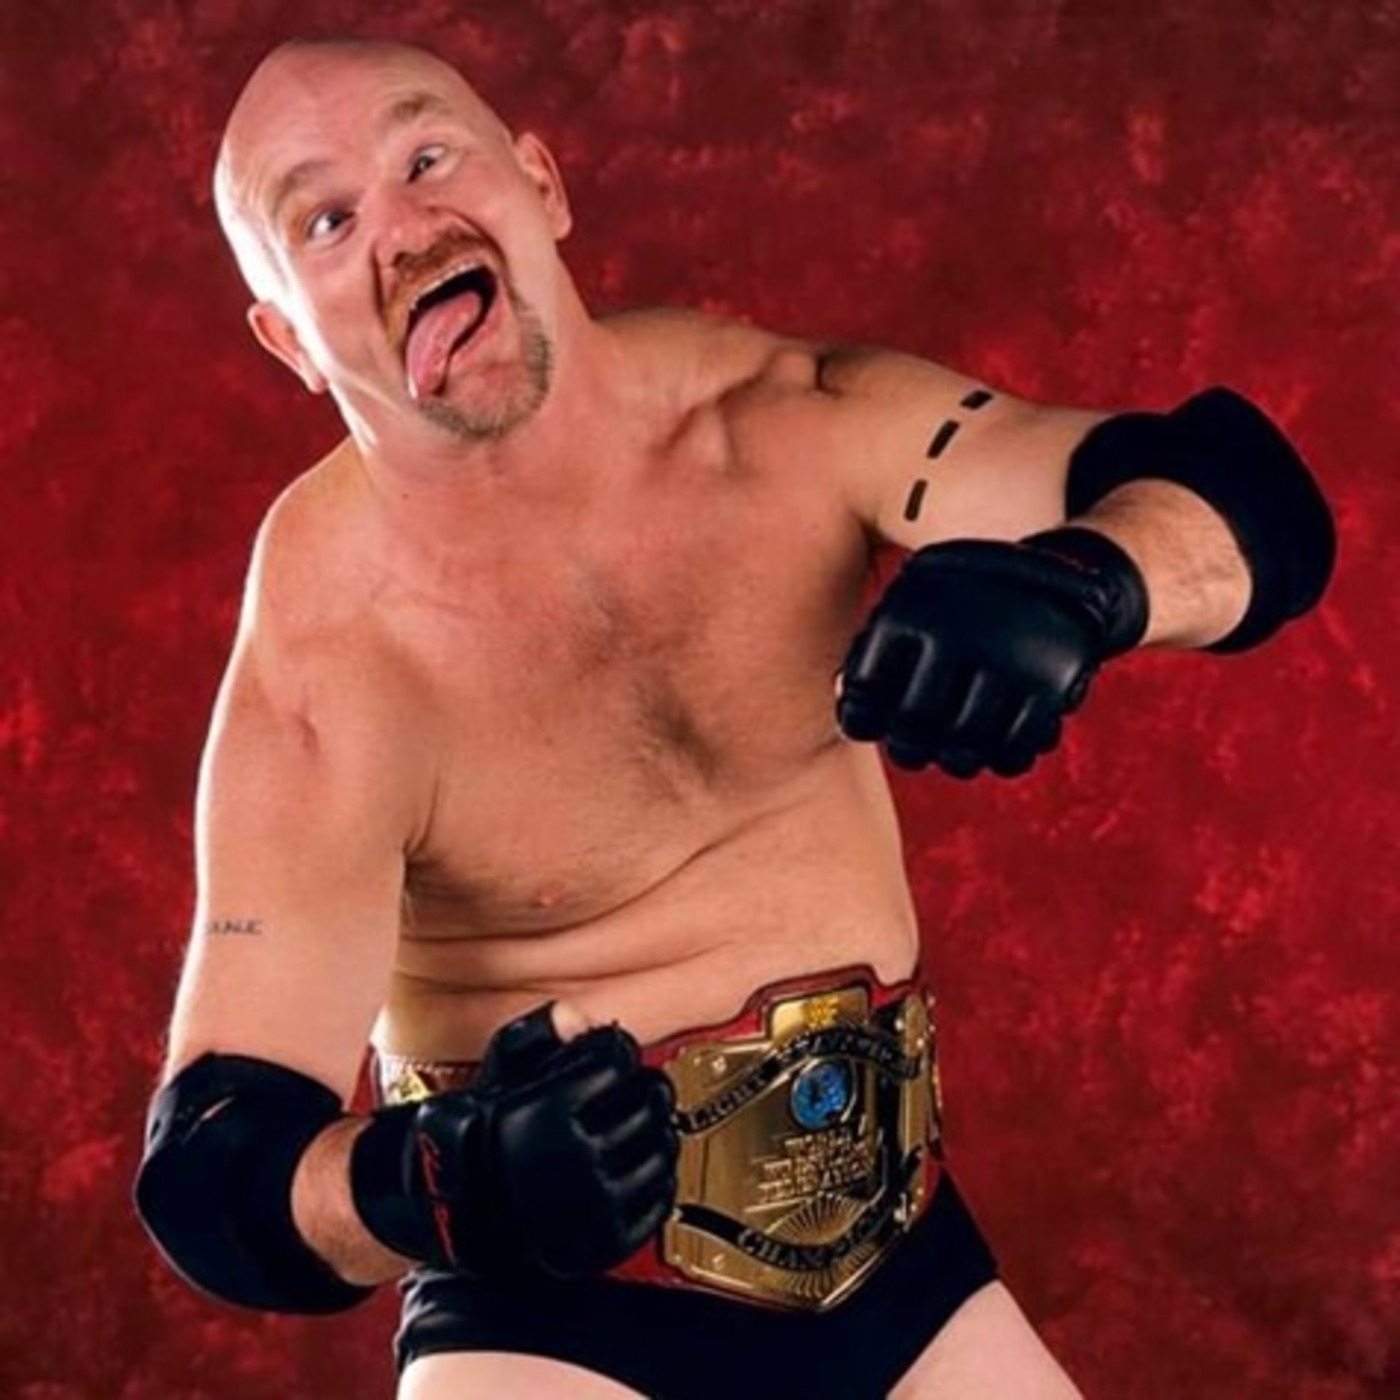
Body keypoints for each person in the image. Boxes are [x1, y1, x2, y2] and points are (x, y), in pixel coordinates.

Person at [133, 35, 1335, 1400]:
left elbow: (1244, 499)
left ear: (541, 184)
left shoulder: (785, 426)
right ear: (290, 337)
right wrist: (436, 1182)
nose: (403, 230)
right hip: (563, 1327)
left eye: (427, 157)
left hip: (904, 1262)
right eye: (326, 221)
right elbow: (216, 1172)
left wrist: (1091, 583)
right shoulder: (328, 650)